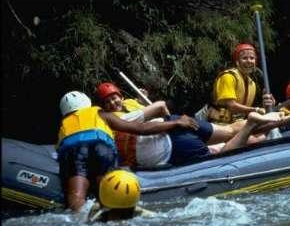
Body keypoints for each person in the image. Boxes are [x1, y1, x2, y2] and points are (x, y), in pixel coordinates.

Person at [95, 82, 290, 168]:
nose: (114, 103)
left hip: (175, 144)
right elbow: (159, 108)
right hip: (176, 125)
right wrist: (174, 120)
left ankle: (252, 124)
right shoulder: (122, 116)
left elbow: (146, 124)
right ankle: (283, 120)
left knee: (223, 154)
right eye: (108, 101)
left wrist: (174, 122)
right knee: (230, 132)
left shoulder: (113, 127)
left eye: (115, 98)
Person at [57, 90, 199, 213]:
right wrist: (176, 122)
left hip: (73, 149)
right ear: (88, 104)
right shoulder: (100, 113)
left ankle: (79, 217)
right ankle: (109, 211)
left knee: (76, 195)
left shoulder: (63, 125)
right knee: (107, 192)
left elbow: (60, 152)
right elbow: (140, 129)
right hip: (101, 147)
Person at [208, 43, 267, 126]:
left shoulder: (252, 84)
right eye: (244, 58)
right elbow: (231, 106)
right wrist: (256, 110)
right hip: (217, 123)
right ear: (237, 62)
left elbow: (246, 109)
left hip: (237, 123)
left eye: (252, 58)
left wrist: (266, 106)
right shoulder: (228, 77)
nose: (249, 61)